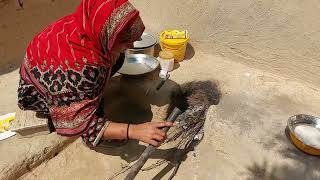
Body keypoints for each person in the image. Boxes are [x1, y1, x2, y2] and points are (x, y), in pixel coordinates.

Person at [17, 0, 174, 147]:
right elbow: (86, 125)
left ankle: (90, 93)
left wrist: (115, 52)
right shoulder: (80, 68)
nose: (132, 44)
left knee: (118, 58)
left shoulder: (88, 23)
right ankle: (94, 130)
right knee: (86, 122)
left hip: (52, 66)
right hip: (38, 92)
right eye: (124, 40)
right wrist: (133, 131)